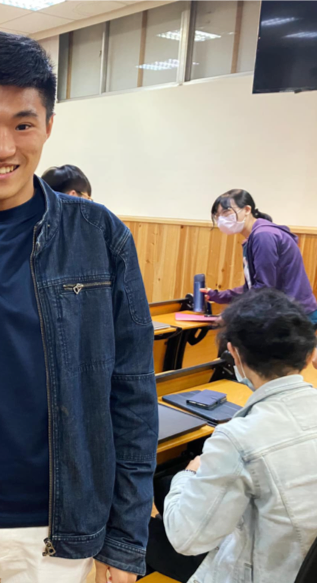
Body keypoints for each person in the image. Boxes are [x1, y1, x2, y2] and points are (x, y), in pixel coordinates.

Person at [0, 32, 157, 583]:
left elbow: (132, 392)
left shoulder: (100, 236)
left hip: (60, 532)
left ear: (48, 126)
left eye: (22, 124)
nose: (1, 147)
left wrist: (125, 539)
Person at [163, 288, 317, 583]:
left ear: (233, 353)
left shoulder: (238, 439)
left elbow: (186, 538)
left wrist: (187, 476)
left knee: (159, 513)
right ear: (310, 354)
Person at [204, 189, 317, 326]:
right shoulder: (254, 237)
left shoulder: (263, 235)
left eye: (226, 212)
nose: (221, 219)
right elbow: (252, 287)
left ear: (246, 209)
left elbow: (264, 288)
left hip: (293, 317)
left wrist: (230, 314)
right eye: (217, 215)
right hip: (285, 313)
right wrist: (217, 295)